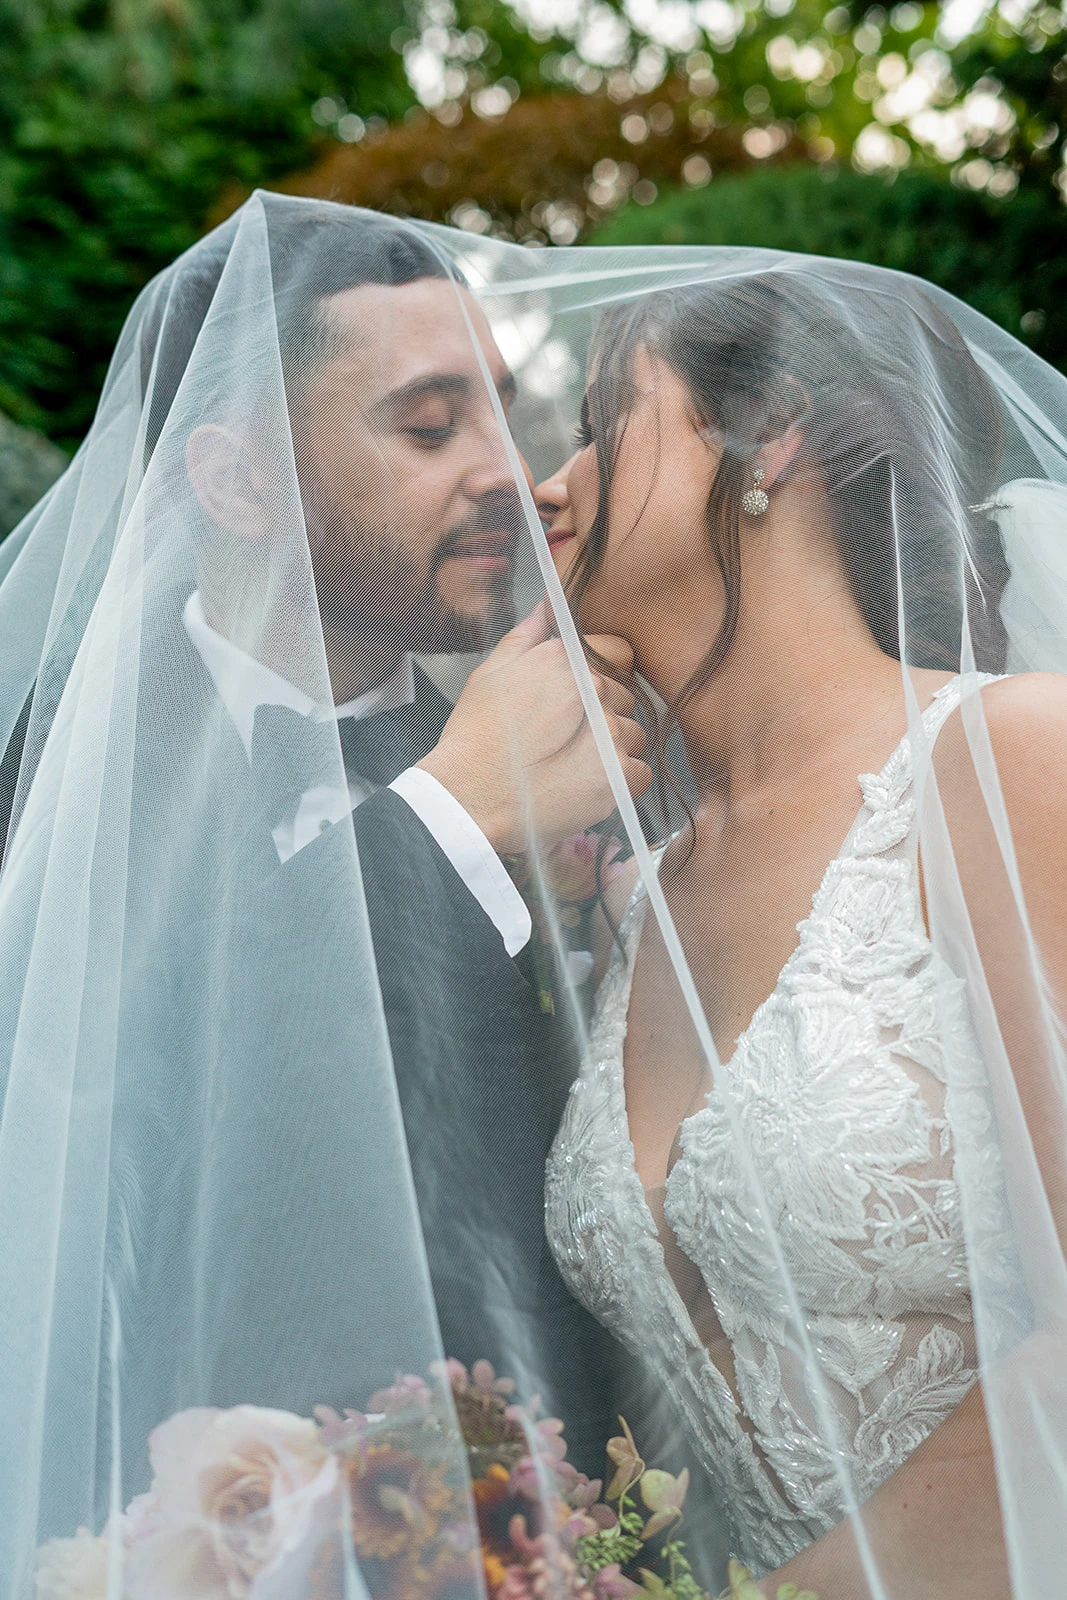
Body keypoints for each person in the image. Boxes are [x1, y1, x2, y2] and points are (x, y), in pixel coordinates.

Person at [0, 195, 651, 1577]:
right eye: (428, 429)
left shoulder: (595, 768)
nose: (509, 475)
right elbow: (125, 1165)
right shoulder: (46, 786)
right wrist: (448, 825)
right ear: (235, 483)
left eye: (499, 411)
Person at [541, 271, 1067, 1599]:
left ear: (766, 433)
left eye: (605, 419)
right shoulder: (636, 897)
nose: (553, 484)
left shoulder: (1012, 763)